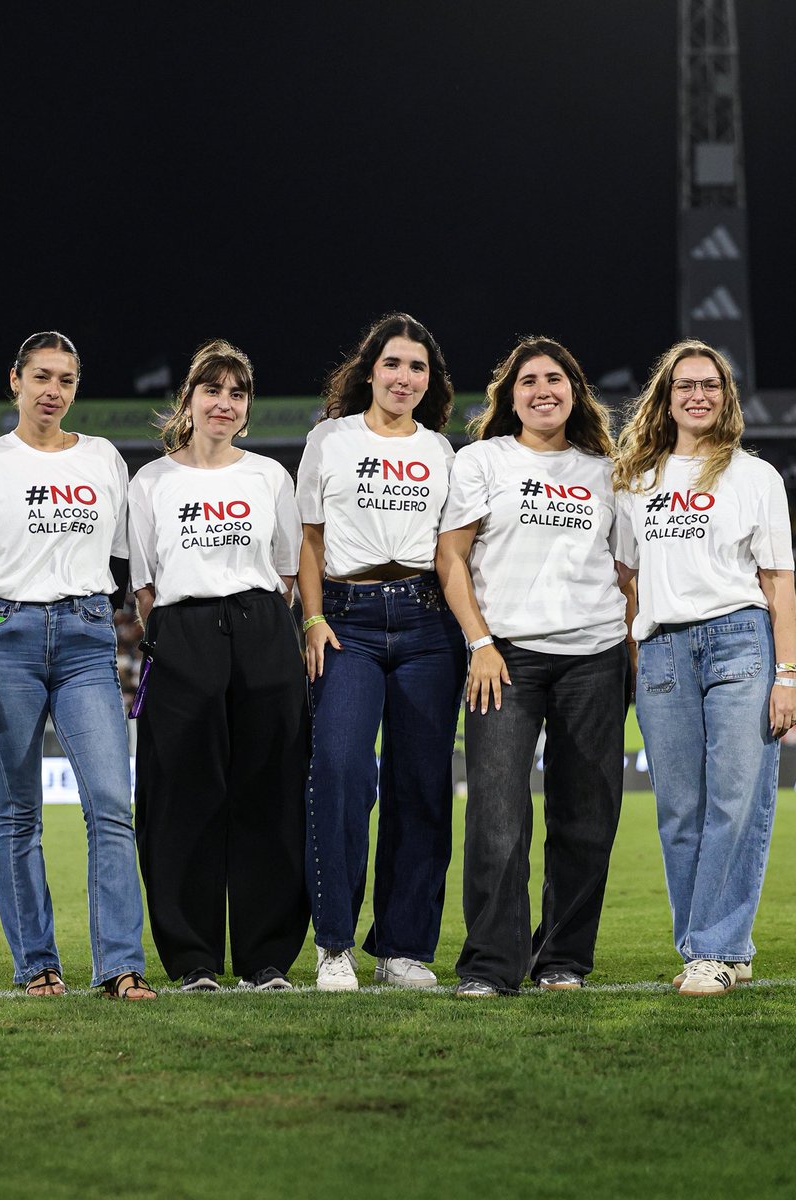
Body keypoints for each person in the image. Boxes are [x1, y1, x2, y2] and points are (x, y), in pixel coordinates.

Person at [0, 331, 154, 999]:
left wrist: (100, 613)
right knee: (19, 813)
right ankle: (38, 966)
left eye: (65, 378)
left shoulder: (102, 458)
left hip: (86, 636)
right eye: (41, 376)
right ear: (15, 380)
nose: (52, 390)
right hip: (3, 635)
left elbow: (123, 563)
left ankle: (119, 966)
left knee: (112, 807)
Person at [436, 336, 633, 997]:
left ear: (574, 391)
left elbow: (627, 572)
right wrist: (479, 643)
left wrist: (630, 651)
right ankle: (491, 967)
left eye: (555, 378)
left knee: (586, 819)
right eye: (528, 380)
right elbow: (452, 558)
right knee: (497, 817)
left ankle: (563, 962)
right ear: (510, 394)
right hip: (505, 656)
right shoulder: (482, 460)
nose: (542, 389)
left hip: (596, 657)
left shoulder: (607, 471)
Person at [613, 340, 796, 996]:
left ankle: (710, 950)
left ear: (726, 398)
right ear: (666, 398)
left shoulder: (755, 477)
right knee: (679, 810)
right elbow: (624, 574)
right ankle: (724, 946)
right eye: (685, 385)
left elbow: (779, 582)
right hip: (662, 648)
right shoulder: (635, 480)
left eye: (711, 386)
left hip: (740, 641)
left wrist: (787, 675)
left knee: (736, 799)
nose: (699, 395)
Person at [128, 339, 309, 992]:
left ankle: (266, 959)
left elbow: (287, 570)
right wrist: (186, 641)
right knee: (182, 800)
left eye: (237, 393)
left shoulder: (269, 477)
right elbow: (144, 587)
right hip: (182, 634)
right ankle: (192, 958)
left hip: (262, 630)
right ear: (189, 399)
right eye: (213, 390)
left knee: (270, 794)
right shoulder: (150, 482)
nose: (225, 403)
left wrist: (252, 629)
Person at [296, 313, 466, 991]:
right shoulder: (329, 440)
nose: (404, 377)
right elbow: (309, 539)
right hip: (346, 622)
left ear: (430, 381)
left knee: (422, 786)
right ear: (371, 369)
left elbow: (454, 554)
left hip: (429, 623)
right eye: (393, 364)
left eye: (417, 367)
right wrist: (310, 618)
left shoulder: (441, 451)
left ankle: (402, 948)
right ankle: (333, 943)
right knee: (340, 771)